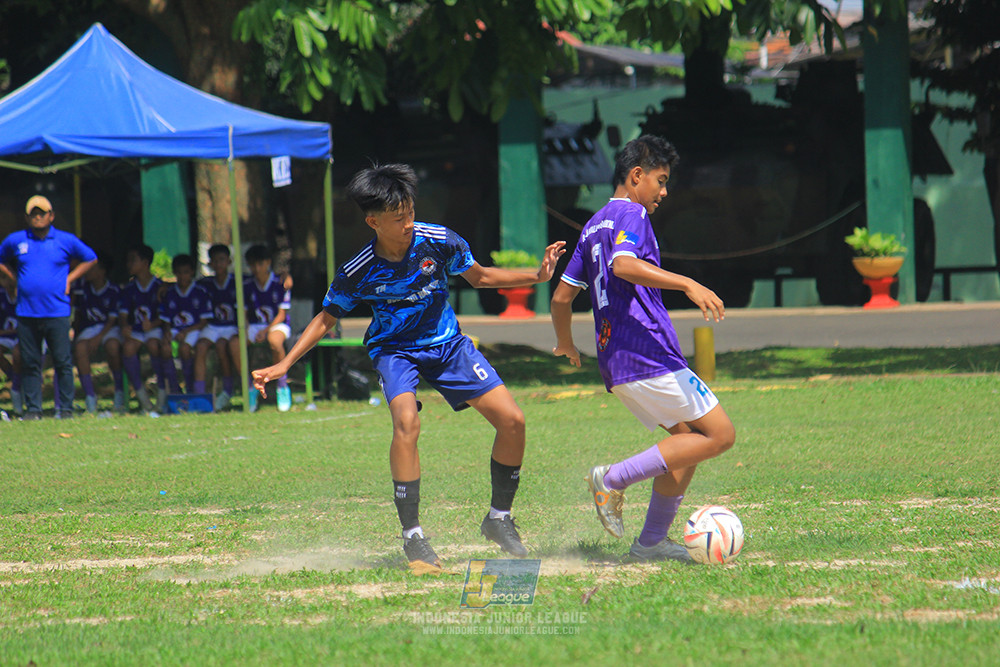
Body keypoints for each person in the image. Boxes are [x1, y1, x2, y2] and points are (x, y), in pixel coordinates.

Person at [251, 163, 565, 574]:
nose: (409, 224)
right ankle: (413, 535)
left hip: (447, 345)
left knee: (513, 421)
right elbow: (326, 317)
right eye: (399, 219)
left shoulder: (438, 242)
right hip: (394, 351)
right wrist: (284, 363)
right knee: (406, 423)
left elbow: (481, 276)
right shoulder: (359, 269)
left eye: (411, 213)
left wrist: (537, 275)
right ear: (373, 221)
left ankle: (498, 518)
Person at [550, 135, 735, 562]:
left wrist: (565, 342)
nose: (665, 192)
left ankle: (650, 542)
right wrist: (688, 282)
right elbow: (624, 265)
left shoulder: (593, 225)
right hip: (647, 352)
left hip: (616, 361)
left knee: (686, 448)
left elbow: (562, 297)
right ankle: (612, 479)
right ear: (637, 176)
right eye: (661, 180)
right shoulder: (631, 213)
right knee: (721, 435)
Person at [0, 195, 96, 420]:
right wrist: (13, 277)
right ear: (27, 217)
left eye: (42, 213)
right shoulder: (16, 240)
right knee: (31, 362)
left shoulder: (65, 240)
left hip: (57, 312)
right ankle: (34, 409)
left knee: (62, 362)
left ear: (51, 216)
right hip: (27, 311)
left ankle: (66, 409)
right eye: (33, 213)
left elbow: (90, 258)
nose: (38, 217)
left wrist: (70, 278)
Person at [242, 244, 292, 413]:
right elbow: (244, 313)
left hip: (276, 325)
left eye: (260, 264)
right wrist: (247, 329)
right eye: (252, 265)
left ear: (268, 263)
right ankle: (249, 387)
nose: (256, 268)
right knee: (237, 344)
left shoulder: (280, 283)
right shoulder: (247, 285)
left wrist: (265, 331)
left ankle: (282, 386)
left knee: (275, 342)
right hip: (254, 325)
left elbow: (281, 315)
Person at [72, 254, 125, 413]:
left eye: (92, 268)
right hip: (90, 329)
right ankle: (90, 396)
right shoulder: (83, 288)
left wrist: (99, 338)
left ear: (102, 272)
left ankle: (119, 391)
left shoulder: (113, 290)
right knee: (80, 348)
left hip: (109, 329)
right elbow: (78, 314)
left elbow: (112, 320)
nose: (87, 271)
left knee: (112, 346)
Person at [118, 244, 164, 413]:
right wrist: (124, 327)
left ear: (145, 263)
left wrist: (153, 324)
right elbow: (123, 315)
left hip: (154, 329)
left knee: (154, 345)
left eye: (133, 260)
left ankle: (161, 395)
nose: (129, 264)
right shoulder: (129, 288)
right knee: (128, 348)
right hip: (137, 330)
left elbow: (165, 317)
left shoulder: (160, 286)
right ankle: (143, 398)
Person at [159, 254, 212, 394]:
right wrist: (167, 332)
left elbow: (203, 321)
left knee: (184, 349)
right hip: (176, 329)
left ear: (192, 273)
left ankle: (190, 387)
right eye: (179, 273)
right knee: (164, 348)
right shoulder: (170, 293)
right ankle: (173, 388)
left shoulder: (200, 292)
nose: (183, 276)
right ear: (175, 273)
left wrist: (186, 332)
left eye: (186, 272)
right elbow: (166, 320)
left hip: (194, 329)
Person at [197, 244, 239, 410]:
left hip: (231, 327)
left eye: (222, 260)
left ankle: (228, 389)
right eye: (215, 261)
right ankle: (199, 394)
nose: (218, 264)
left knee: (222, 345)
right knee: (200, 346)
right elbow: (182, 284)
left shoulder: (238, 281)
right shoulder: (205, 283)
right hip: (213, 326)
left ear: (229, 261)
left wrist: (284, 276)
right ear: (210, 264)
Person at [0, 279, 22, 415]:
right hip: (7, 336)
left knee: (17, 353)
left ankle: (17, 386)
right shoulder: (2, 295)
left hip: (24, 336)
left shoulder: (25, 295)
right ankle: (14, 379)